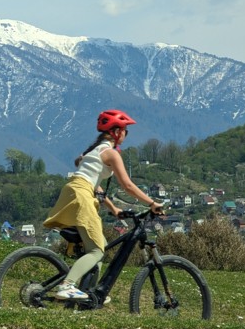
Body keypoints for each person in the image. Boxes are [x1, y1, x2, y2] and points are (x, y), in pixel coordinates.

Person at [43, 109, 163, 300]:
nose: (126, 135)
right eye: (125, 131)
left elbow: (95, 186)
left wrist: (114, 209)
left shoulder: (93, 151)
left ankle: (91, 293)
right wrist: (152, 203)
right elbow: (128, 185)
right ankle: (67, 285)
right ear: (117, 131)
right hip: (82, 195)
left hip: (72, 192)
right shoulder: (110, 154)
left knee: (101, 245)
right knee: (97, 251)